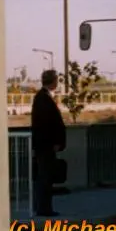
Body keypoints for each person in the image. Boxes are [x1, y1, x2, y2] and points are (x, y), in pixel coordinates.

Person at [31, 69, 66, 217]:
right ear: (53, 81)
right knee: (45, 177)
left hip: (45, 145)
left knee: (46, 176)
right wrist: (54, 142)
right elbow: (46, 124)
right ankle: (44, 208)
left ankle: (44, 207)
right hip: (46, 145)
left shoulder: (42, 97)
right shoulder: (43, 98)